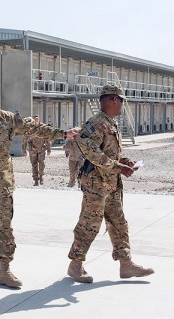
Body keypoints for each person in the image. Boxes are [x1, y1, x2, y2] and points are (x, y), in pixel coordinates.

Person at [0, 80, 78, 288]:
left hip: (2, 184)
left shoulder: (7, 119)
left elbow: (34, 128)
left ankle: (4, 270)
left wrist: (63, 134)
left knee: (4, 228)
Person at [67, 84, 154, 283]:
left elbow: (108, 152)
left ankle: (126, 264)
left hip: (111, 183)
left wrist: (125, 162)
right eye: (122, 101)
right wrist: (118, 167)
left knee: (119, 223)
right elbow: (90, 151)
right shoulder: (96, 123)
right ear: (114, 99)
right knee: (89, 224)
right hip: (96, 184)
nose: (122, 105)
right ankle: (75, 264)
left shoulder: (110, 123)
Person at [22, 116, 51, 186]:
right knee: (34, 165)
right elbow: (24, 140)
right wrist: (24, 150)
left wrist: (48, 149)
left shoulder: (43, 128)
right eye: (35, 120)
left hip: (41, 149)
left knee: (41, 164)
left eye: (37, 120)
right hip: (33, 150)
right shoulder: (29, 129)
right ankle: (36, 180)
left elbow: (47, 139)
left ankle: (41, 177)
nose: (36, 121)